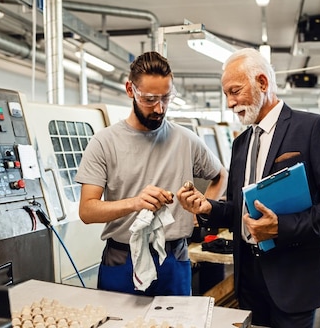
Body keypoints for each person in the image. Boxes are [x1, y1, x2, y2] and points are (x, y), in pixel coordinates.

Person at [177, 48, 320, 328]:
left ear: (262, 83)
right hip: (250, 279)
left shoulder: (312, 128)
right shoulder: (241, 144)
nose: (230, 102)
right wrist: (208, 208)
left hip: (294, 278)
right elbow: (241, 210)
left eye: (235, 91)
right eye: (226, 94)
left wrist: (281, 227)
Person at [75, 51, 227, 296]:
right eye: (149, 99)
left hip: (173, 258)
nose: (159, 108)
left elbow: (220, 174)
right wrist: (135, 203)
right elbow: (87, 211)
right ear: (130, 90)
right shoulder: (104, 143)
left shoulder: (185, 140)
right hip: (122, 259)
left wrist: (203, 210)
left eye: (166, 98)